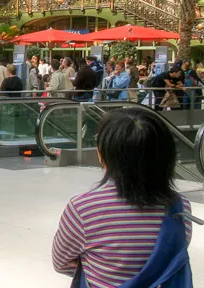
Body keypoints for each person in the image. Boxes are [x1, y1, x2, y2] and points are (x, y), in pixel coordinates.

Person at [52, 108, 193, 286]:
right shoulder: (180, 209)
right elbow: (171, 260)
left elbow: (61, 263)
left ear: (103, 154)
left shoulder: (83, 208)